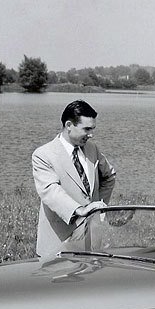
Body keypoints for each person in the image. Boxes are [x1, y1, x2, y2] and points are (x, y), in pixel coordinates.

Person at [32, 99, 117, 257]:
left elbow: (109, 177)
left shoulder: (93, 149)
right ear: (69, 125)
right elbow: (50, 191)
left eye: (93, 129)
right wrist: (81, 211)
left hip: (91, 243)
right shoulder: (43, 155)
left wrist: (99, 209)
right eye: (86, 129)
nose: (91, 135)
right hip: (58, 243)